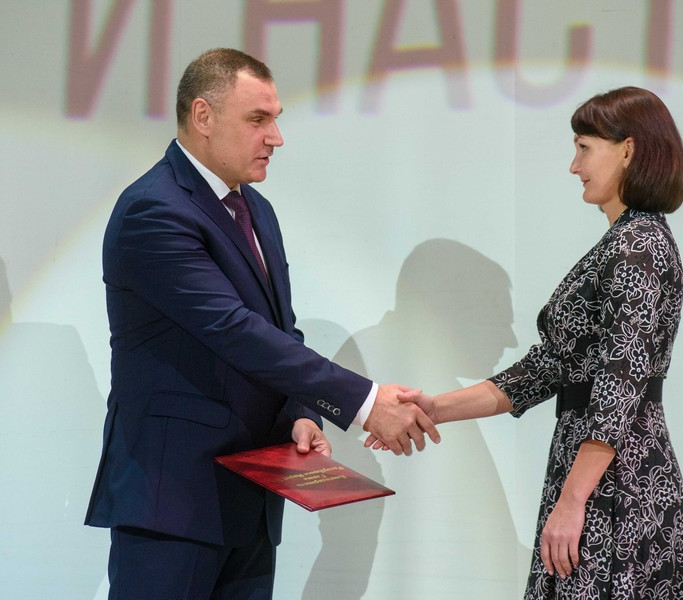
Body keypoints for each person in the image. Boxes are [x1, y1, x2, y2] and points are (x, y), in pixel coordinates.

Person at [84, 48, 439, 600]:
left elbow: (277, 331)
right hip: (172, 502)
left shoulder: (255, 209)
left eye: (276, 119)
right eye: (258, 119)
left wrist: (300, 413)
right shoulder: (154, 210)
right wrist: (366, 402)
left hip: (251, 497)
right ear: (203, 116)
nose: (276, 137)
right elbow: (232, 330)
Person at [385, 86, 683, 598]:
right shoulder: (627, 241)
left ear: (628, 150)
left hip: (617, 485)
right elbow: (546, 368)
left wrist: (572, 503)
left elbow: (617, 387)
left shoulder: (637, 245)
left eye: (584, 148)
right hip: (602, 475)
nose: (574, 166)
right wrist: (434, 408)